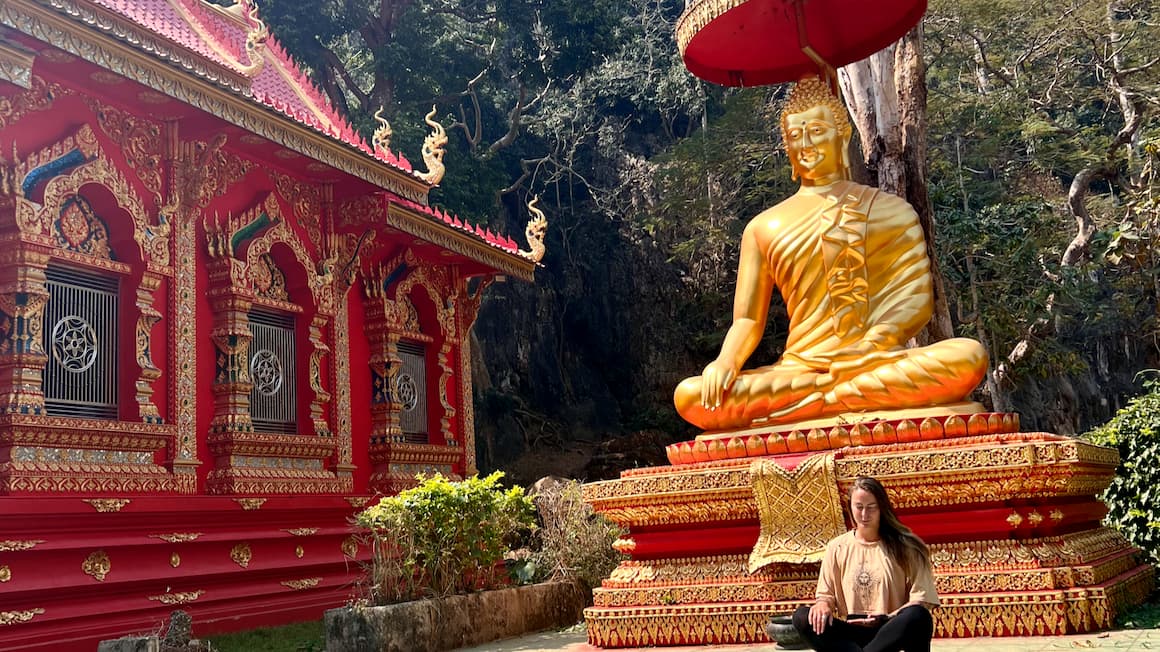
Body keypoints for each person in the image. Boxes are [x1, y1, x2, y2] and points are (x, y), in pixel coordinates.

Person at [673, 76, 987, 431]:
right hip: (798, 370)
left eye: (817, 131)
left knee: (967, 357)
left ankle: (813, 403)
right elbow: (747, 321)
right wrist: (726, 362)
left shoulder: (891, 211)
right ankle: (835, 395)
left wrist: (871, 346)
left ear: (843, 135)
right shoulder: (763, 227)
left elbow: (915, 301)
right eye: (795, 136)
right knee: (692, 396)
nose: (805, 144)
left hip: (872, 360)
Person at [792, 476, 938, 652]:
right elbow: (826, 596)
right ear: (850, 507)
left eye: (871, 508)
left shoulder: (907, 547)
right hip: (851, 631)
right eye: (859, 507)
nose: (864, 515)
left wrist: (885, 618)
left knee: (919, 617)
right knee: (801, 616)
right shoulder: (836, 547)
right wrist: (822, 605)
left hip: (890, 626)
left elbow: (919, 602)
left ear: (881, 507)